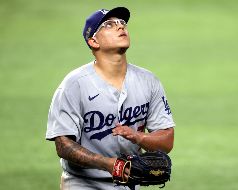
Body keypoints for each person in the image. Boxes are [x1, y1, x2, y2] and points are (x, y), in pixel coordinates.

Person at [46, 7, 175, 190]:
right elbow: (63, 146)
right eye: (109, 24)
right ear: (93, 41)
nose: (120, 27)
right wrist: (108, 164)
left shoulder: (149, 81)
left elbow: (166, 141)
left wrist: (138, 137)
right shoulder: (74, 84)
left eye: (122, 23)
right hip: (82, 184)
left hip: (129, 183)